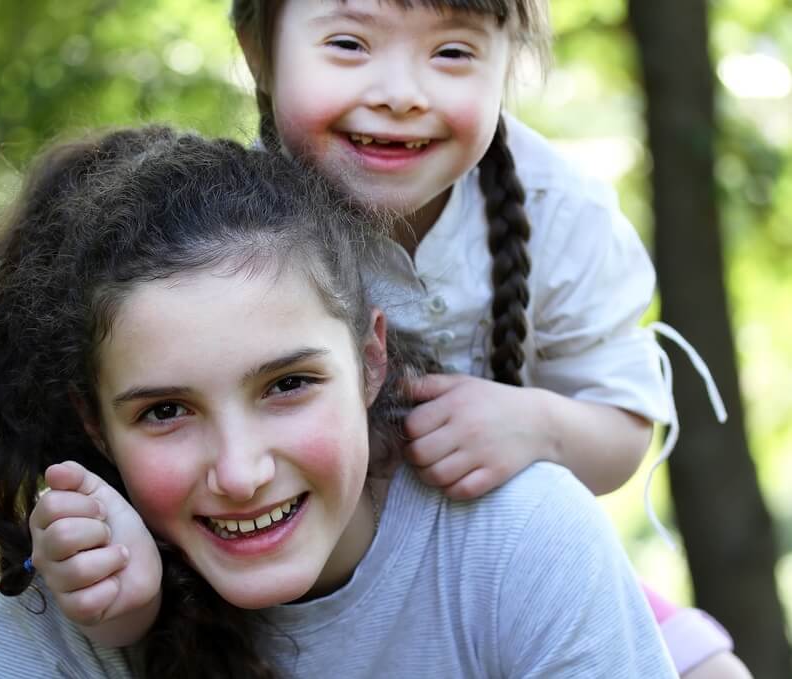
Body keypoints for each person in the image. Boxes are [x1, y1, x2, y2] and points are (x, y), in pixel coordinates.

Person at [0, 126, 678, 677]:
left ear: (371, 359)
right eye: (165, 411)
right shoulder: (77, 589)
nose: (240, 473)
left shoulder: (515, 539)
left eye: (287, 385)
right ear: (96, 424)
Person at [224, 1, 744, 677]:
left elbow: (623, 422)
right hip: (311, 591)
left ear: (508, 64)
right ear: (258, 51)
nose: (401, 95)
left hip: (506, 560)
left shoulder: (562, 211)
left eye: (452, 54)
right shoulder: (221, 240)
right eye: (350, 44)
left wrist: (536, 427)